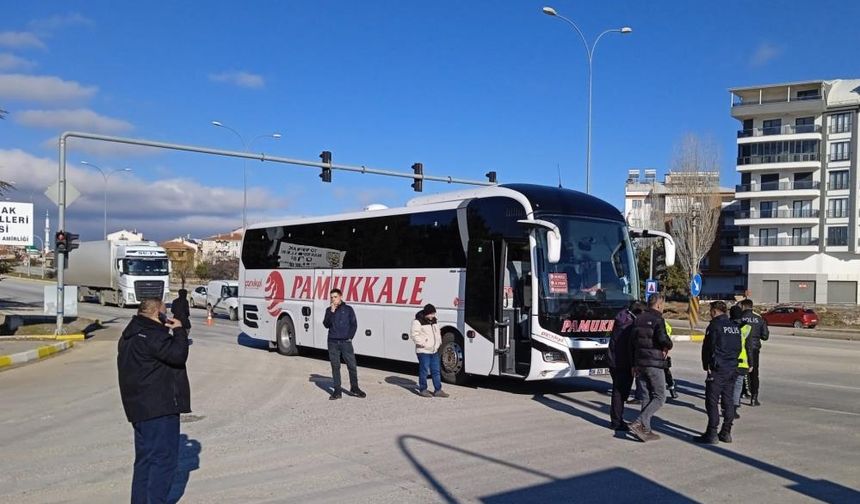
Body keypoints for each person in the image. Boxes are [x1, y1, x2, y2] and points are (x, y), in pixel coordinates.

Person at [117, 298, 191, 504]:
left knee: (145, 461)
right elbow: (178, 355)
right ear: (157, 314)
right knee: (163, 461)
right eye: (164, 312)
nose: (167, 316)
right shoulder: (153, 336)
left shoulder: (129, 335)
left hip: (138, 408)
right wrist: (179, 331)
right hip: (159, 408)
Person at [694, 301, 742, 444]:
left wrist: (706, 365)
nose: (710, 313)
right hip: (732, 367)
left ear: (715, 311)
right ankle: (726, 432)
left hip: (718, 369)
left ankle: (712, 433)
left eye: (711, 310)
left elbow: (708, 347)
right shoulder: (735, 327)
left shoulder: (715, 326)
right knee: (728, 400)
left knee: (712, 401)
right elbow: (739, 347)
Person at [628, 294, 673, 442]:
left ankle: (645, 430)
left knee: (646, 396)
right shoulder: (658, 319)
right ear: (659, 304)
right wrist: (669, 344)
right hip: (654, 363)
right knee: (660, 397)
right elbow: (662, 339)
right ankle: (639, 422)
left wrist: (633, 364)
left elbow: (632, 343)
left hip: (640, 363)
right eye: (663, 304)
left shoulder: (638, 319)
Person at [608, 300, 644, 431]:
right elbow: (631, 347)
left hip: (614, 360)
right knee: (619, 392)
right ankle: (616, 421)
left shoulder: (621, 318)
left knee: (619, 391)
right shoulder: (630, 325)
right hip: (623, 362)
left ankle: (617, 419)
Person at [323, 288, 365, 400]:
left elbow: (354, 324)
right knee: (335, 366)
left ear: (340, 297)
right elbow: (326, 324)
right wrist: (331, 312)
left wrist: (349, 337)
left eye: (335, 297)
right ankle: (337, 391)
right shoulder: (329, 310)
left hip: (345, 342)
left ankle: (354, 388)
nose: (333, 299)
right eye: (331, 297)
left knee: (352, 365)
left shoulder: (348, 309)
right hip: (332, 342)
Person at [411, 304, 448, 398]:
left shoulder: (434, 321)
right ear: (426, 313)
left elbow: (437, 333)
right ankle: (423, 389)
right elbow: (414, 335)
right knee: (424, 371)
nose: (433, 316)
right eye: (431, 314)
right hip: (423, 351)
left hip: (433, 350)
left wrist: (439, 342)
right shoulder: (418, 321)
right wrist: (424, 343)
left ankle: (438, 390)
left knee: (436, 371)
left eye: (434, 314)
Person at [739, 298, 769, 406]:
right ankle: (754, 398)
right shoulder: (759, 319)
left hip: (741, 348)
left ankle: (742, 392)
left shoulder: (740, 318)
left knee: (740, 371)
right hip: (755, 348)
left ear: (743, 307)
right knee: (754, 373)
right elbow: (765, 336)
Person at [729, 304, 752, 420]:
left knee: (729, 386)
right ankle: (734, 408)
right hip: (742, 362)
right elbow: (749, 347)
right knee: (738, 386)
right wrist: (751, 363)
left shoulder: (727, 326)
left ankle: (727, 407)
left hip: (729, 362)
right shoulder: (746, 328)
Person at [663, 320, 678, 400]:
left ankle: (672, 388)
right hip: (662, 349)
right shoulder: (663, 322)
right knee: (666, 371)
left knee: (665, 370)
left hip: (661, 349)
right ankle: (672, 388)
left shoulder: (662, 322)